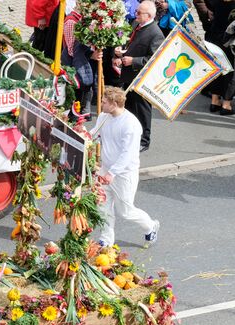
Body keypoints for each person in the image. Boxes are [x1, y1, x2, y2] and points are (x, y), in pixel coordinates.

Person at [91, 86, 160, 247]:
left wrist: (112, 173)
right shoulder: (104, 116)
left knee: (126, 211)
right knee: (102, 206)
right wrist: (86, 136)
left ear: (114, 104)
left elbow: (127, 154)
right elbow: (95, 133)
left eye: (104, 102)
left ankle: (151, 226)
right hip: (105, 169)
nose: (101, 104)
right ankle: (106, 239)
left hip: (124, 174)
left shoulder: (131, 125)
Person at [115, 0, 164, 152]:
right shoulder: (136, 24)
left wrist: (134, 61)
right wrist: (120, 50)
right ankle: (130, 137)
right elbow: (127, 40)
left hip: (141, 78)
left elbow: (155, 59)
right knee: (129, 109)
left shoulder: (156, 33)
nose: (135, 14)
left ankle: (144, 140)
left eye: (139, 12)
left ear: (148, 15)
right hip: (128, 76)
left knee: (142, 110)